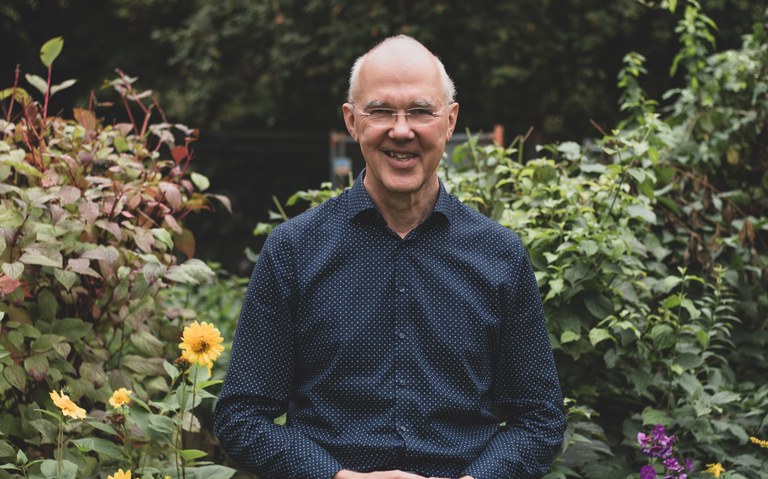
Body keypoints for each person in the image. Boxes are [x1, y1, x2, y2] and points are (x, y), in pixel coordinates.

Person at [214, 35, 566, 479]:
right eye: (381, 111)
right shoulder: (294, 251)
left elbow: (540, 420)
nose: (402, 130)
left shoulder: (499, 255)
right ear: (352, 121)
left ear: (450, 121)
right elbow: (241, 417)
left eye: (420, 111)